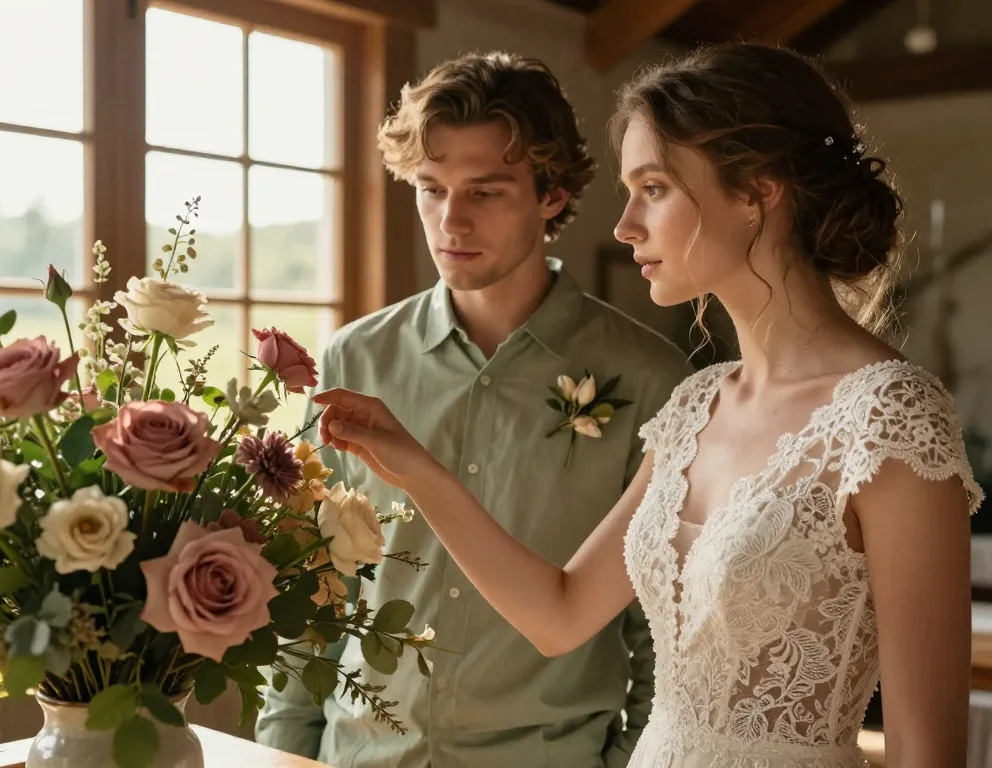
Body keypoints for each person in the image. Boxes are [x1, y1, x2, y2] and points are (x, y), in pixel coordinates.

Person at [312, 43, 985, 768]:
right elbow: (559, 615)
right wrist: (415, 467)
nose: (626, 224)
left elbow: (929, 757)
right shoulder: (698, 403)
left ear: (757, 192)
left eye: (654, 188)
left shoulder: (889, 419)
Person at [254, 51, 693, 767]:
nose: (450, 221)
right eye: (431, 188)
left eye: (485, 193)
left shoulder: (652, 380)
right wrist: (286, 756)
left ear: (551, 195)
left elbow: (661, 636)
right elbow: (312, 591)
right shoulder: (353, 362)